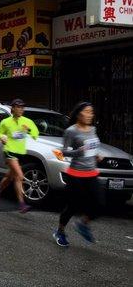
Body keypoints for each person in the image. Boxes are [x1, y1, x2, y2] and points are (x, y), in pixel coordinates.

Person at [53, 102, 101, 247]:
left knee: (100, 203)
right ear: (79, 114)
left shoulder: (93, 129)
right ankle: (60, 231)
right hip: (76, 174)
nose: (90, 115)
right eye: (87, 112)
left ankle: (83, 224)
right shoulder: (71, 131)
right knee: (73, 206)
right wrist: (78, 151)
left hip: (92, 172)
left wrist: (97, 155)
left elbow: (92, 147)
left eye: (91, 112)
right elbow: (63, 152)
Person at [0, 98, 39, 213]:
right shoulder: (5, 122)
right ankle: (22, 204)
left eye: (22, 107)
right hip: (9, 151)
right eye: (18, 107)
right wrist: (1, 137)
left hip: (20, 153)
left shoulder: (27, 121)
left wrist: (30, 129)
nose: (21, 109)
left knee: (9, 177)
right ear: (13, 108)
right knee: (19, 176)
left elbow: (35, 134)